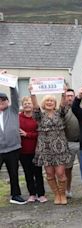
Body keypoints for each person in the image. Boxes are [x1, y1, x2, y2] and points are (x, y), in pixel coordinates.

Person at [30, 85, 71, 205]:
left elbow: (64, 105)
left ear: (55, 103)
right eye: (47, 100)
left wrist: (64, 93)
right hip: (45, 148)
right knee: (49, 174)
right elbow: (35, 107)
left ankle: (63, 194)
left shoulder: (60, 113)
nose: (49, 102)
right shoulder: (39, 115)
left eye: (52, 101)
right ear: (44, 103)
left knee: (60, 173)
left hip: (60, 148)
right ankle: (56, 194)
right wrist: (32, 93)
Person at [63, 63, 82, 198]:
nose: (70, 98)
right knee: (67, 169)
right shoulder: (62, 109)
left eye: (71, 95)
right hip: (68, 142)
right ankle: (67, 190)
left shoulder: (79, 106)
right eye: (67, 96)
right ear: (64, 97)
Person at [0, 70, 26, 205]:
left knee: (14, 174)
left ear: (7, 101)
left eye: (3, 99)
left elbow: (15, 95)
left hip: (13, 149)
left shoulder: (13, 109)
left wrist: (8, 80)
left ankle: (15, 195)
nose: (1, 102)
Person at [19, 96, 47, 203]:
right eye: (25, 103)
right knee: (28, 173)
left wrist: (27, 134)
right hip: (23, 150)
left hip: (37, 149)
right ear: (22, 105)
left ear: (33, 105)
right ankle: (32, 194)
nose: (27, 105)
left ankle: (41, 194)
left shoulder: (37, 117)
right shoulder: (18, 117)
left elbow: (41, 132)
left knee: (38, 173)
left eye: (29, 103)